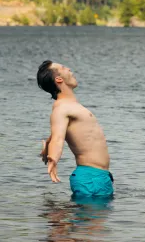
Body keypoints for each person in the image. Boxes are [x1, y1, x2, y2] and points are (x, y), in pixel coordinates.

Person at [37, 60, 114, 198]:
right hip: (89, 178)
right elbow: (58, 138)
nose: (69, 69)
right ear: (58, 79)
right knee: (90, 218)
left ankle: (58, 218)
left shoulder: (69, 106)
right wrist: (52, 158)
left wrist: (48, 146)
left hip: (99, 176)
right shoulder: (61, 108)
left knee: (91, 218)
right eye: (64, 68)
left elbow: (58, 134)